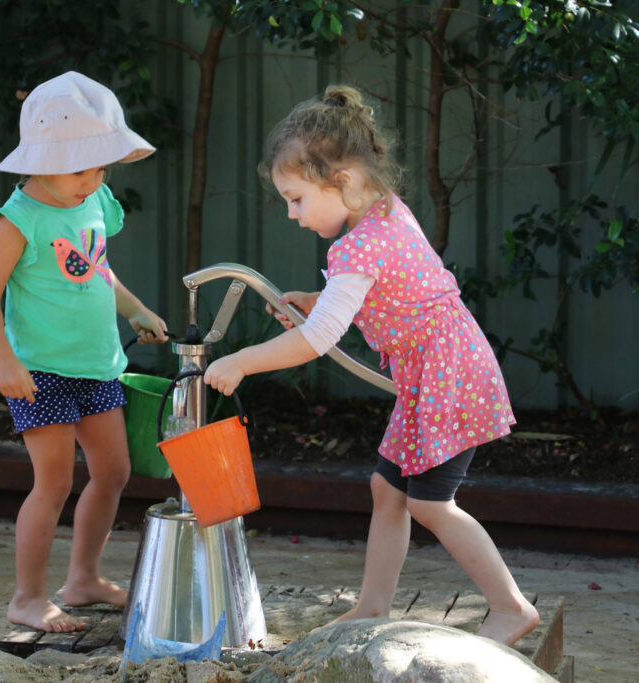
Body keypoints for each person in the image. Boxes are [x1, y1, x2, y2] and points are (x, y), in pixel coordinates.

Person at [203, 85, 539, 647]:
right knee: (388, 491)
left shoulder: (355, 248)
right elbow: (377, 293)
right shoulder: (383, 214)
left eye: (296, 198)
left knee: (433, 502)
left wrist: (241, 361)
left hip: (446, 374)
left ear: (346, 182)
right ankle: (372, 605)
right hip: (434, 373)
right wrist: (321, 296)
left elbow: (318, 340)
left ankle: (511, 607)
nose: (291, 214)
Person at [0, 71, 168, 633]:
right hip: (40, 372)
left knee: (114, 472)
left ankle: (82, 577)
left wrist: (132, 308)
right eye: (83, 167)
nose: (95, 178)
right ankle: (28, 597)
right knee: (53, 482)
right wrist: (4, 362)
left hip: (97, 366)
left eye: (101, 165)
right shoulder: (19, 220)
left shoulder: (94, 200)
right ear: (41, 160)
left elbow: (98, 265)